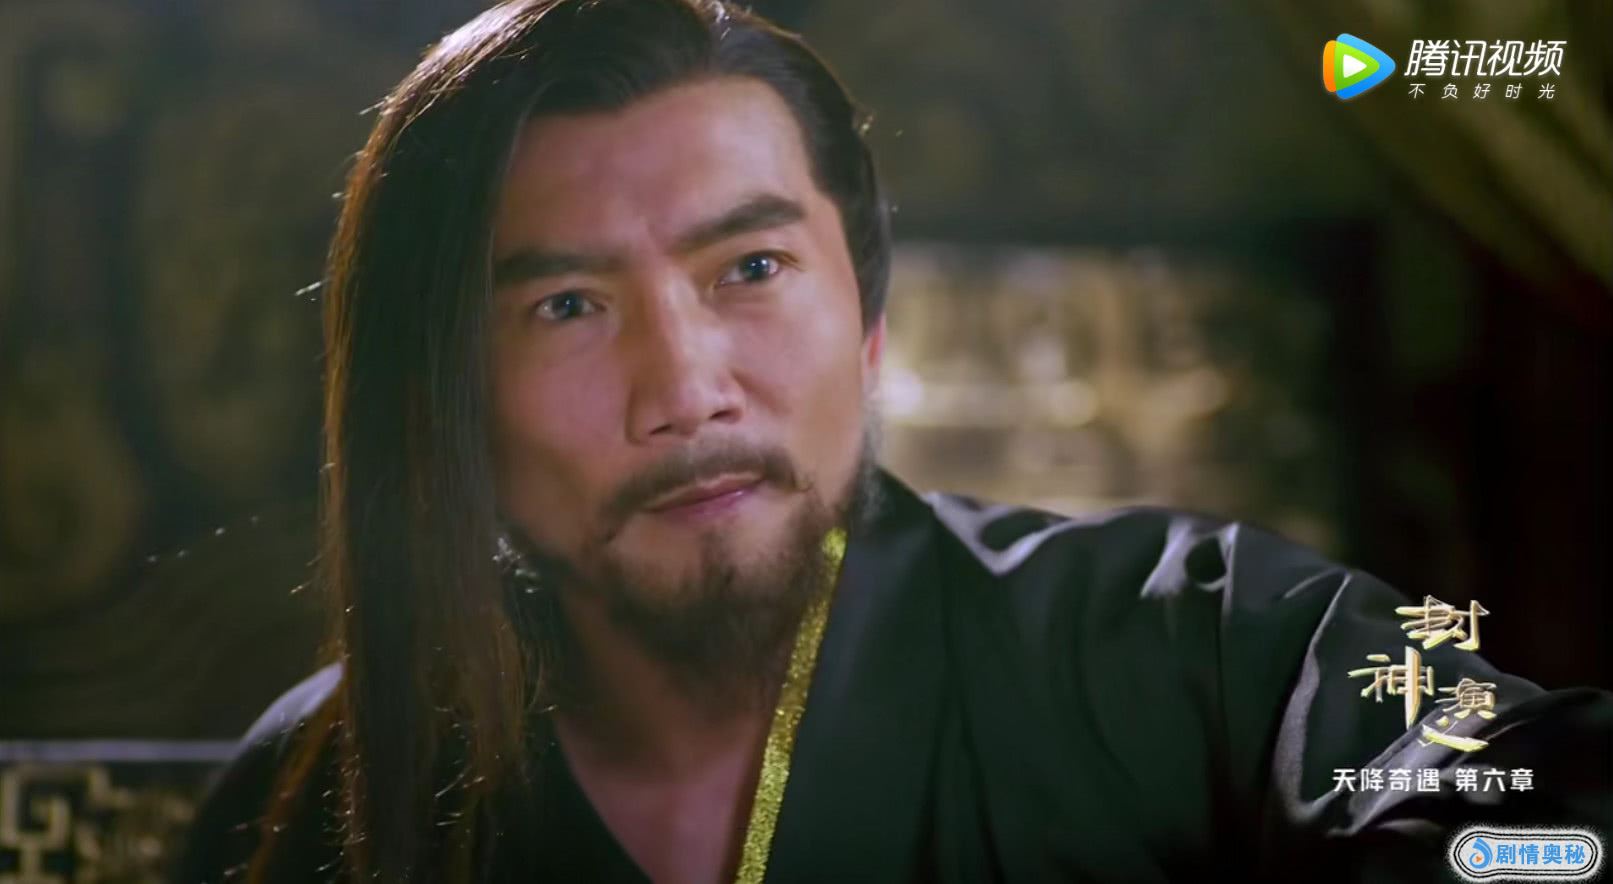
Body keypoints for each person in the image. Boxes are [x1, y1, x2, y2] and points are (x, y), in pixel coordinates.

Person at [169, 0, 1613, 882]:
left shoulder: (1203, 641)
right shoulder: (324, 793)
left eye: (750, 270)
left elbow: (1558, 815)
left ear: (866, 320)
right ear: (441, 396)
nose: (687, 387)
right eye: (566, 306)